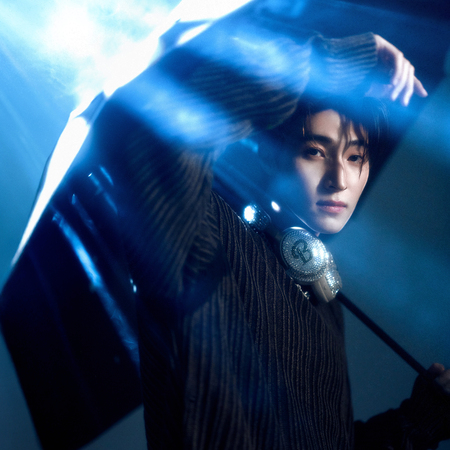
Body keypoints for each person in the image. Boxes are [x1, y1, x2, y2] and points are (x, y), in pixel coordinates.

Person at [57, 2, 450, 448]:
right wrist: (343, 60)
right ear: (269, 154)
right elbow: (160, 143)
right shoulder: (207, 234)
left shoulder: (324, 298)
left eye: (356, 156)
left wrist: (420, 419)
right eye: (315, 152)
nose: (340, 179)